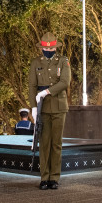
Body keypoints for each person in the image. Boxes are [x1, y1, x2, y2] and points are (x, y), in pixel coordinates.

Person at [29, 31, 71, 190]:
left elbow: (65, 82)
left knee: (56, 144)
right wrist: (33, 106)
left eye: (51, 49)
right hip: (43, 108)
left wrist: (46, 92)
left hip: (59, 106)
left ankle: (54, 178)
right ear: (41, 49)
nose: (48, 52)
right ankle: (44, 177)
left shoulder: (63, 61)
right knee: (44, 144)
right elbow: (32, 86)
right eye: (45, 49)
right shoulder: (35, 62)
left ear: (55, 48)